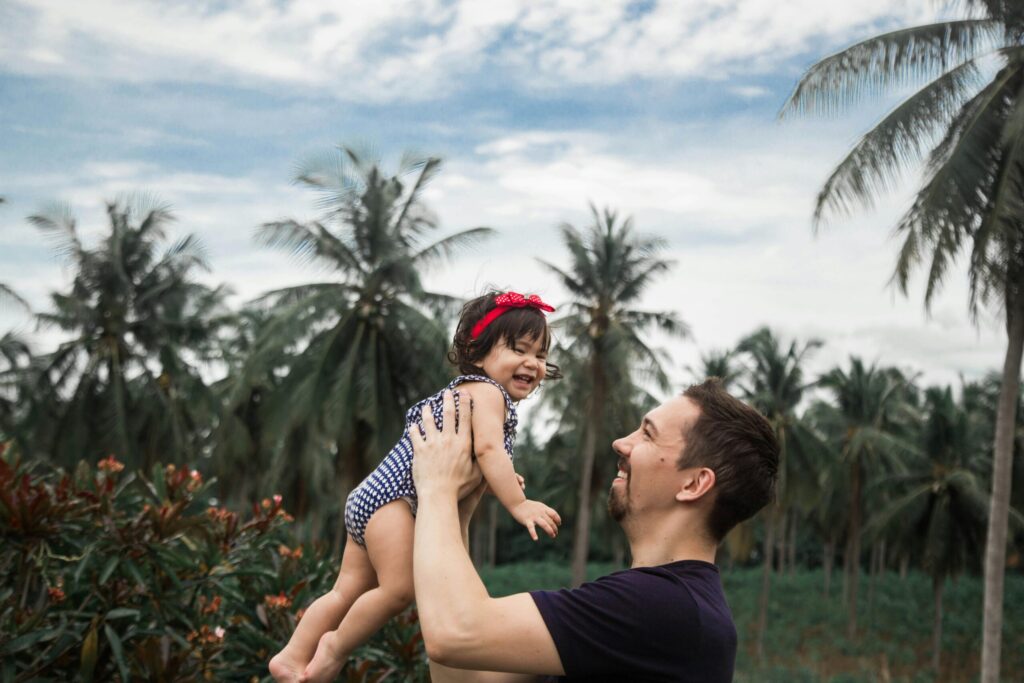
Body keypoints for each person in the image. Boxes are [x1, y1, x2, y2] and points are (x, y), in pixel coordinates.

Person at [269, 291, 563, 683]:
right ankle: (334, 649)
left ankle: (290, 655)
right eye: (519, 349)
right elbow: (490, 449)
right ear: (476, 353)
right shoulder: (488, 393)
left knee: (346, 592)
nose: (532, 363)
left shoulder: (468, 395)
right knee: (399, 590)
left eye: (540, 356)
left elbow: (476, 458)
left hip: (371, 498)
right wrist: (519, 503)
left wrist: (499, 480)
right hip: (396, 502)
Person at [410, 378, 779, 682]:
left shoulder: (664, 609)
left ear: (694, 484)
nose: (622, 443)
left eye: (647, 435)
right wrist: (457, 507)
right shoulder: (663, 608)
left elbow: (454, 634)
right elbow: (466, 673)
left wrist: (436, 487)